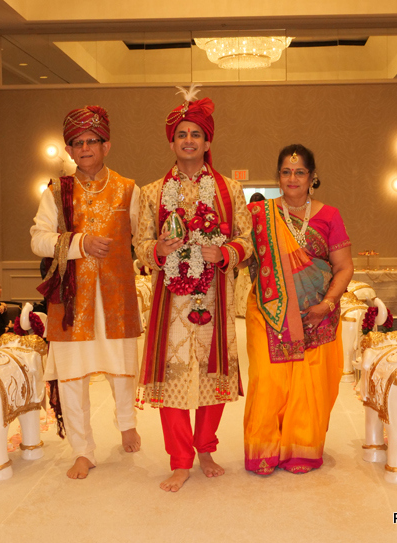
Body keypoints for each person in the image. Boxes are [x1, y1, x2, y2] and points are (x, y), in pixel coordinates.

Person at [135, 87, 252, 492]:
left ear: (208, 141)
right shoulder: (152, 193)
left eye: (196, 134)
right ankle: (180, 459)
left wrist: (223, 253)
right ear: (172, 141)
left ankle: (206, 448)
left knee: (212, 373)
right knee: (172, 381)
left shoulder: (229, 191)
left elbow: (246, 240)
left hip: (213, 298)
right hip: (170, 301)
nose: (189, 140)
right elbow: (139, 244)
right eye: (182, 134)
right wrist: (156, 249)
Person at [31, 105, 142, 480]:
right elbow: (38, 239)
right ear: (69, 150)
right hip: (71, 298)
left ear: (106, 145)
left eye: (91, 141)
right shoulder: (56, 191)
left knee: (122, 367)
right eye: (76, 143)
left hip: (117, 293)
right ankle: (83, 451)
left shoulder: (129, 189)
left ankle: (126, 421)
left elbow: (143, 241)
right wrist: (78, 243)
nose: (84, 148)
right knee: (72, 375)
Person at [243, 144, 352, 475]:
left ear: (312, 177)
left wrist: (327, 303)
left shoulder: (329, 215)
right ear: (278, 176)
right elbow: (247, 256)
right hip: (268, 309)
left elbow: (344, 267)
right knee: (267, 378)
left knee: (310, 381)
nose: (293, 178)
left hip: (317, 311)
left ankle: (300, 448)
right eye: (286, 172)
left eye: (300, 172)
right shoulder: (258, 215)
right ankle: (263, 449)